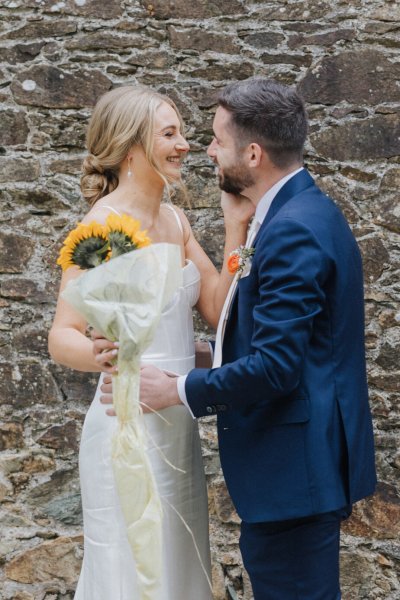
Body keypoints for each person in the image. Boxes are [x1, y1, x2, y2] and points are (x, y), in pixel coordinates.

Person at [98, 78, 377, 599]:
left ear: (252, 153)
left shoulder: (292, 229)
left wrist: (178, 388)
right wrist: (210, 353)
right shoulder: (296, 213)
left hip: (294, 477)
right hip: (299, 473)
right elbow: (294, 342)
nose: (204, 149)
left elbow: (276, 368)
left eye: (216, 141)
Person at [48, 84, 254, 600]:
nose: (185, 143)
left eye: (183, 132)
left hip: (176, 425)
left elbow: (213, 306)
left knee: (180, 566)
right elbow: (62, 336)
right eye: (170, 133)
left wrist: (233, 233)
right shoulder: (101, 230)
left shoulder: (176, 220)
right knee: (129, 567)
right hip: (126, 426)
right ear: (132, 149)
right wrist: (103, 357)